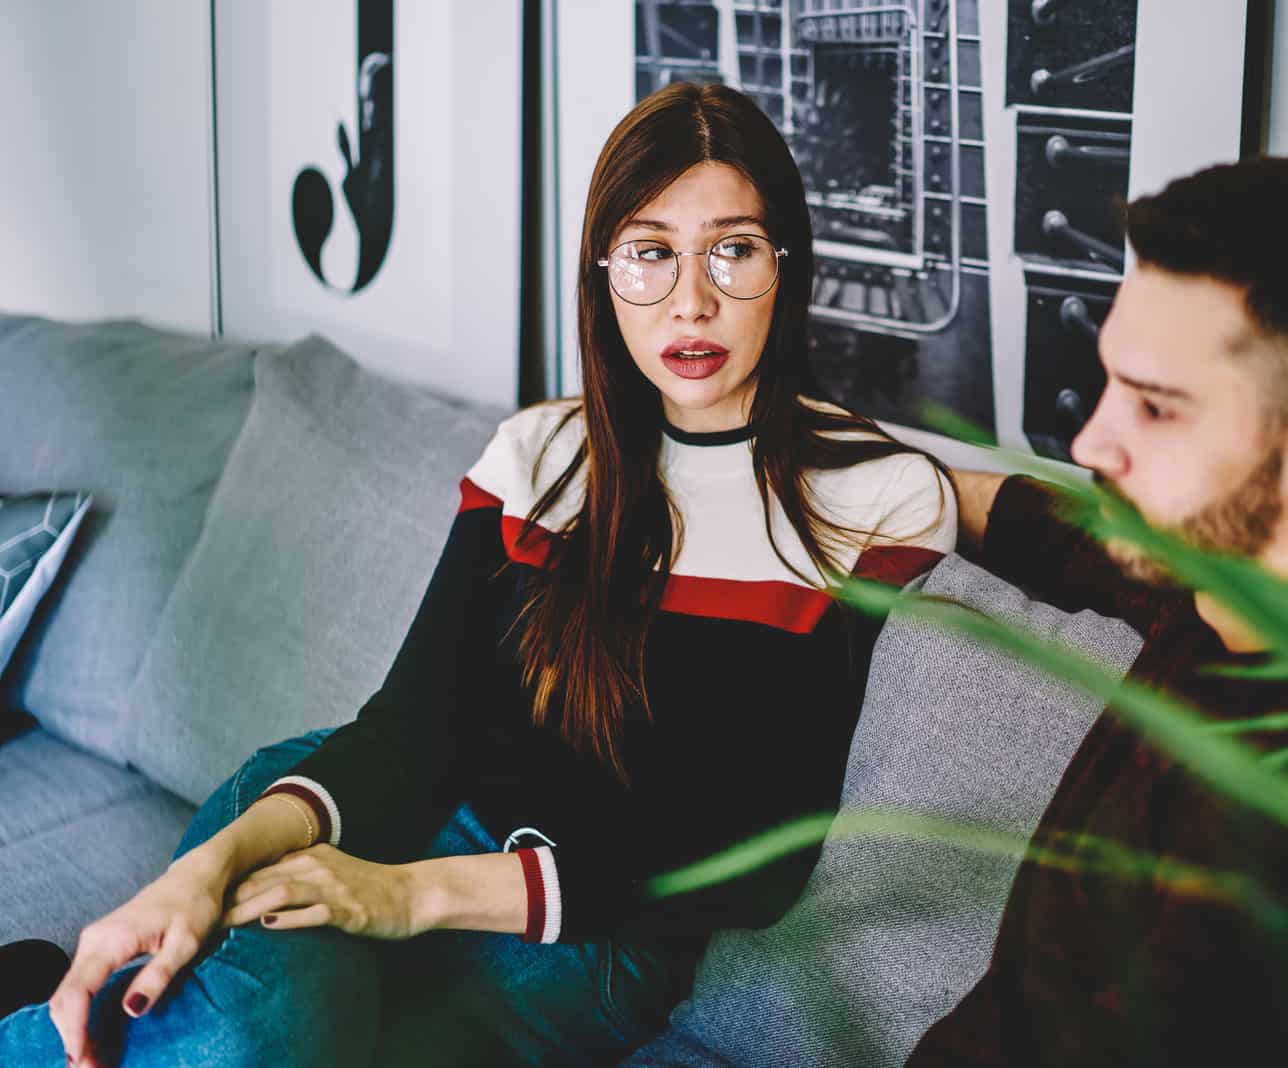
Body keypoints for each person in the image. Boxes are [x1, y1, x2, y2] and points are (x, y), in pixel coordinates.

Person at [0, 82, 954, 1067]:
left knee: (250, 1045)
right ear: (603, 273)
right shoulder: (538, 459)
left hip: (575, 951)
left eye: (734, 249)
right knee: (244, 1031)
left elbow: (755, 856)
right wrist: (206, 866)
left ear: (786, 266)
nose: (691, 299)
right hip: (375, 822)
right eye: (650, 252)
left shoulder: (870, 500)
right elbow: (411, 731)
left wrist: (411, 899)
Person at [907, 155, 1288, 1065]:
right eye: (1110, 383)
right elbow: (1032, 522)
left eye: (1156, 408)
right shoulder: (1215, 586)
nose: (1093, 441)